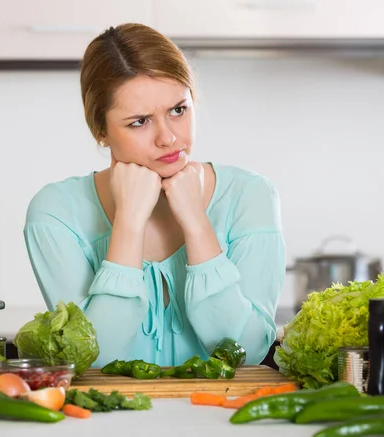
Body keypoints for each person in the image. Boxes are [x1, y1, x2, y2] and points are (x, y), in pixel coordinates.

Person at [24, 23, 286, 368]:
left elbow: (247, 352)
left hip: (221, 419)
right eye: (139, 122)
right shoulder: (55, 213)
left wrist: (196, 223)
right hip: (107, 419)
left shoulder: (250, 196)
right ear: (100, 131)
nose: (168, 138)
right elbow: (97, 358)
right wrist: (129, 222)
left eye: (179, 110)